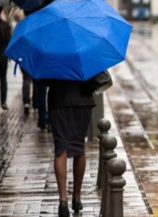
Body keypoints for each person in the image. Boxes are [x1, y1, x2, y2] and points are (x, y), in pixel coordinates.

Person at [44, 80, 95, 217]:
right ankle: (77, 198)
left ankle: (63, 200)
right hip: (82, 99)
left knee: (61, 147)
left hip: (58, 101)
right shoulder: (84, 56)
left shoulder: (52, 57)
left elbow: (43, 80)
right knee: (79, 146)